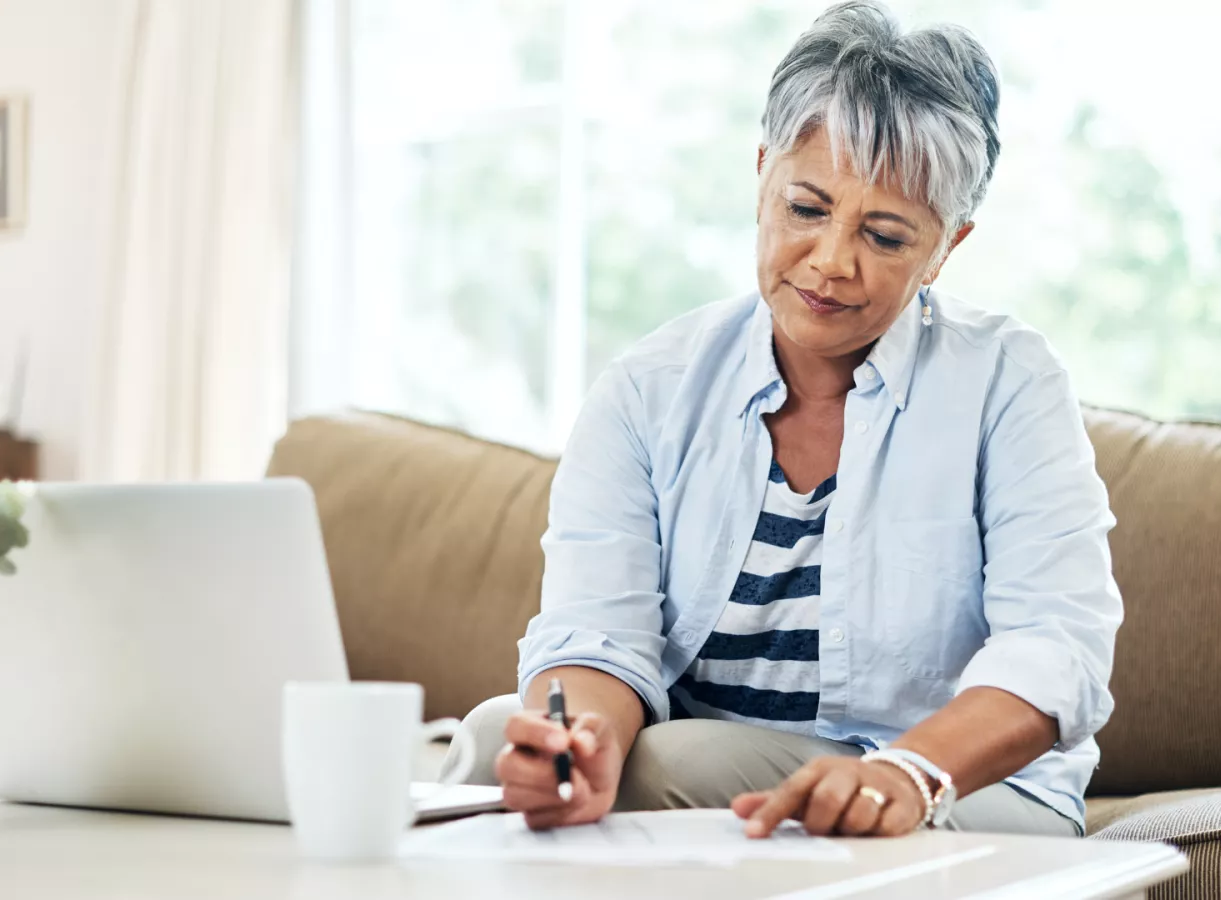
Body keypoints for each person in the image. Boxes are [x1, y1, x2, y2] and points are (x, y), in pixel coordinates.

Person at [448, 0, 1121, 839]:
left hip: (959, 792)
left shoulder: (1008, 383)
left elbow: (1057, 647)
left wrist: (906, 771)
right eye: (806, 209)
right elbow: (597, 635)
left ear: (948, 246)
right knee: (487, 741)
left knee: (674, 763)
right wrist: (578, 745)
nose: (832, 261)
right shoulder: (647, 389)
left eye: (885, 235)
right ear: (763, 171)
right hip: (715, 768)